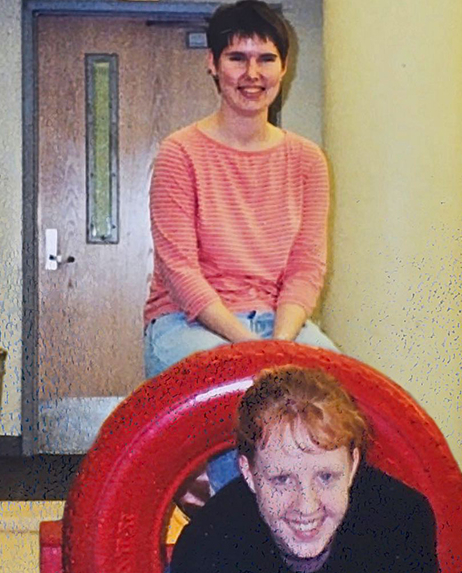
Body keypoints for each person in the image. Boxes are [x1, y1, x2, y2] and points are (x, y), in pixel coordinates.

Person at [144, 0, 341, 498]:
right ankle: (238, 521)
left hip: (279, 323)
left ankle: (310, 524)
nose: (252, 74)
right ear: (212, 64)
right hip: (188, 324)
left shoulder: (308, 160)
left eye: (266, 58)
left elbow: (306, 269)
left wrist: (280, 343)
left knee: (342, 394)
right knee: (244, 397)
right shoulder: (180, 153)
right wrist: (252, 351)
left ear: (284, 67)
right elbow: (180, 273)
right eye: (237, 58)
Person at [165, 366, 439, 573]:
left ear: (353, 465)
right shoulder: (206, 552)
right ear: (249, 473)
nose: (307, 506)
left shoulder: (402, 522)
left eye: (326, 477)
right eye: (282, 479)